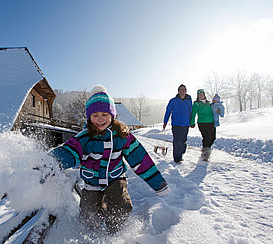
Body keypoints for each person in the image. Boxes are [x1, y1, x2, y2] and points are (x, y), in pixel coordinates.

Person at [50, 86, 170, 234]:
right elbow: (69, 151)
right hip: (92, 182)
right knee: (89, 217)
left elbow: (139, 159)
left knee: (122, 207)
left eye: (105, 114)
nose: (100, 119)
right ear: (89, 117)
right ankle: (93, 234)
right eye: (95, 115)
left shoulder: (122, 136)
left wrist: (158, 184)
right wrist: (49, 161)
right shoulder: (84, 138)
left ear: (112, 115)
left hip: (115, 177)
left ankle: (115, 231)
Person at [163, 84, 192, 163]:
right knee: (177, 140)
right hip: (176, 124)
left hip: (185, 124)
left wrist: (191, 121)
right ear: (178, 91)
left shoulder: (189, 100)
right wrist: (165, 122)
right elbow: (168, 111)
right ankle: (177, 158)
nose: (182, 91)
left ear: (186, 91)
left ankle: (181, 153)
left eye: (183, 90)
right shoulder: (173, 101)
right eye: (180, 90)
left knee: (183, 140)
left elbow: (191, 112)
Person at [190, 89, 215, 161]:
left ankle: (206, 150)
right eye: (199, 95)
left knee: (213, 137)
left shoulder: (209, 103)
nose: (201, 96)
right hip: (202, 122)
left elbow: (214, 110)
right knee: (207, 137)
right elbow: (193, 113)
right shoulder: (196, 103)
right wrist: (192, 123)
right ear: (198, 96)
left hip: (211, 122)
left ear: (204, 95)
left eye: (202, 94)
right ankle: (205, 154)